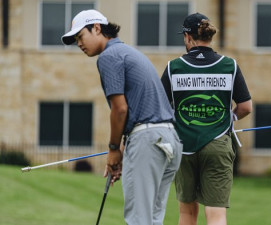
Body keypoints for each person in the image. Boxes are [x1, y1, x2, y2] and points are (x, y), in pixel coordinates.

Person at [61, 9, 182, 225]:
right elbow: (139, 110)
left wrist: (113, 149)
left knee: (139, 220)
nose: (79, 44)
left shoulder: (108, 57)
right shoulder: (128, 52)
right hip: (169, 140)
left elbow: (120, 109)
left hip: (149, 141)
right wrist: (126, 150)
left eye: (80, 37)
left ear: (96, 28)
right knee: (153, 220)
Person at [161, 13, 252, 225]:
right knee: (216, 214)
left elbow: (160, 109)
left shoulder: (173, 68)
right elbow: (246, 107)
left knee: (186, 213)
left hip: (184, 146)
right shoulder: (230, 65)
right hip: (218, 143)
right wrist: (230, 118)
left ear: (187, 37)